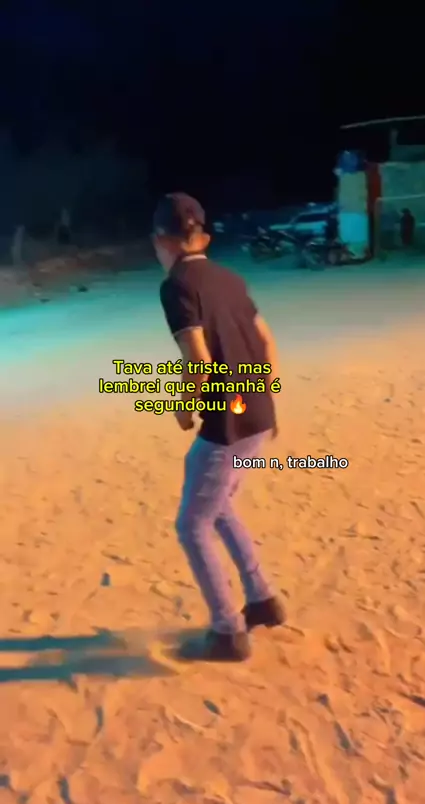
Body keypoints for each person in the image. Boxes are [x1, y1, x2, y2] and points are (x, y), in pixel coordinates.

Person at [152, 192, 286, 662]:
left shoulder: (176, 285)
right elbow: (266, 342)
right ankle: (263, 600)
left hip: (227, 424)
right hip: (258, 416)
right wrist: (263, 397)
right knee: (219, 504)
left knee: (192, 525)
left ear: (163, 240)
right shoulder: (230, 278)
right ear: (202, 236)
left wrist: (184, 406)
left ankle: (228, 632)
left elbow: (199, 359)